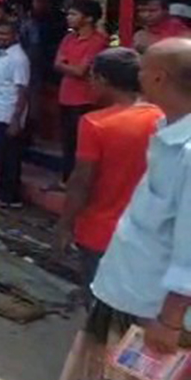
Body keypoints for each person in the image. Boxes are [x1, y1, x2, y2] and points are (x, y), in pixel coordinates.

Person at [57, 38, 191, 380]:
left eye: (143, 68)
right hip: (125, 293)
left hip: (154, 313)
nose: (138, 75)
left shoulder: (187, 153)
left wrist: (170, 321)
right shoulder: (162, 128)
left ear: (159, 78)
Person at [54, 48, 162, 287]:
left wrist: (65, 225)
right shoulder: (162, 118)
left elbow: (81, 182)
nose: (89, 83)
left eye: (91, 77)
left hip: (101, 233)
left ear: (102, 79)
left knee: (98, 301)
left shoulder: (95, 124)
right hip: (149, 233)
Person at [54, 0, 110, 188]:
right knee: (67, 142)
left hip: (85, 99)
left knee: (82, 145)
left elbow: (80, 71)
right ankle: (66, 179)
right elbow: (57, 63)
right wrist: (69, 66)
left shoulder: (98, 41)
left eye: (74, 14)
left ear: (89, 18)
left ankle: (79, 182)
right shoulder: (68, 38)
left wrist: (67, 65)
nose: (69, 18)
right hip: (65, 96)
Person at [0, 21, 31, 208]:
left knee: (9, 158)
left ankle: (10, 197)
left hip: (8, 115)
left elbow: (23, 90)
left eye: (4, 34)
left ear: (15, 36)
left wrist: (16, 119)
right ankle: (3, 194)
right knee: (1, 156)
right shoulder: (2, 56)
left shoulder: (18, 59)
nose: (0, 38)